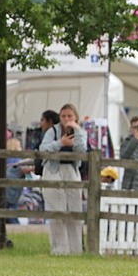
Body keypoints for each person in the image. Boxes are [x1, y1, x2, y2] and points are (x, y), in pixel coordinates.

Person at [39, 103, 87, 254]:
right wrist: (61, 143)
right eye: (63, 116)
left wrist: (77, 131)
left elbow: (81, 150)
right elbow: (43, 149)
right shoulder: (52, 131)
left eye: (69, 116)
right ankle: (59, 249)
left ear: (75, 117)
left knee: (75, 211)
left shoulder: (80, 131)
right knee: (56, 211)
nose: (66, 119)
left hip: (71, 170)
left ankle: (76, 249)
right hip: (53, 169)